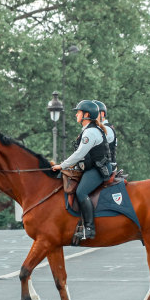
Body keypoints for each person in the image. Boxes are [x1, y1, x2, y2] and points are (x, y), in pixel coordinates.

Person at [52, 100, 112, 240]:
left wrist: (62, 165)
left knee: (81, 191)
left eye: (78, 112)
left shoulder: (90, 132)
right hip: (93, 167)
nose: (76, 115)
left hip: (99, 169)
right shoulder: (88, 130)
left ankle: (89, 229)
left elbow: (79, 154)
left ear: (86, 115)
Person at [94, 100, 117, 168]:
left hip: (105, 168)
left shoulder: (107, 129)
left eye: (95, 113)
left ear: (102, 114)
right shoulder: (93, 130)